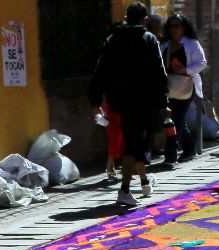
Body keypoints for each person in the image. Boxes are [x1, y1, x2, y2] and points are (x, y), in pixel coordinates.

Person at [89, 3, 168, 207]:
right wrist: (163, 101)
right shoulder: (149, 39)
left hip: (119, 100)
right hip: (143, 100)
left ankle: (143, 181)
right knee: (135, 143)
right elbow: (159, 73)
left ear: (126, 17)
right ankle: (124, 189)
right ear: (144, 20)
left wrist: (96, 100)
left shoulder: (112, 40)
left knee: (135, 140)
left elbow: (100, 71)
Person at [162, 14, 208, 162]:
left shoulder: (191, 44)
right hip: (170, 89)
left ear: (183, 28)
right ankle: (189, 149)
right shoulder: (165, 45)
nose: (174, 29)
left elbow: (202, 63)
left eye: (177, 26)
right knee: (178, 120)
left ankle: (170, 154)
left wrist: (185, 70)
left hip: (186, 88)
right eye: (171, 26)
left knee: (176, 120)